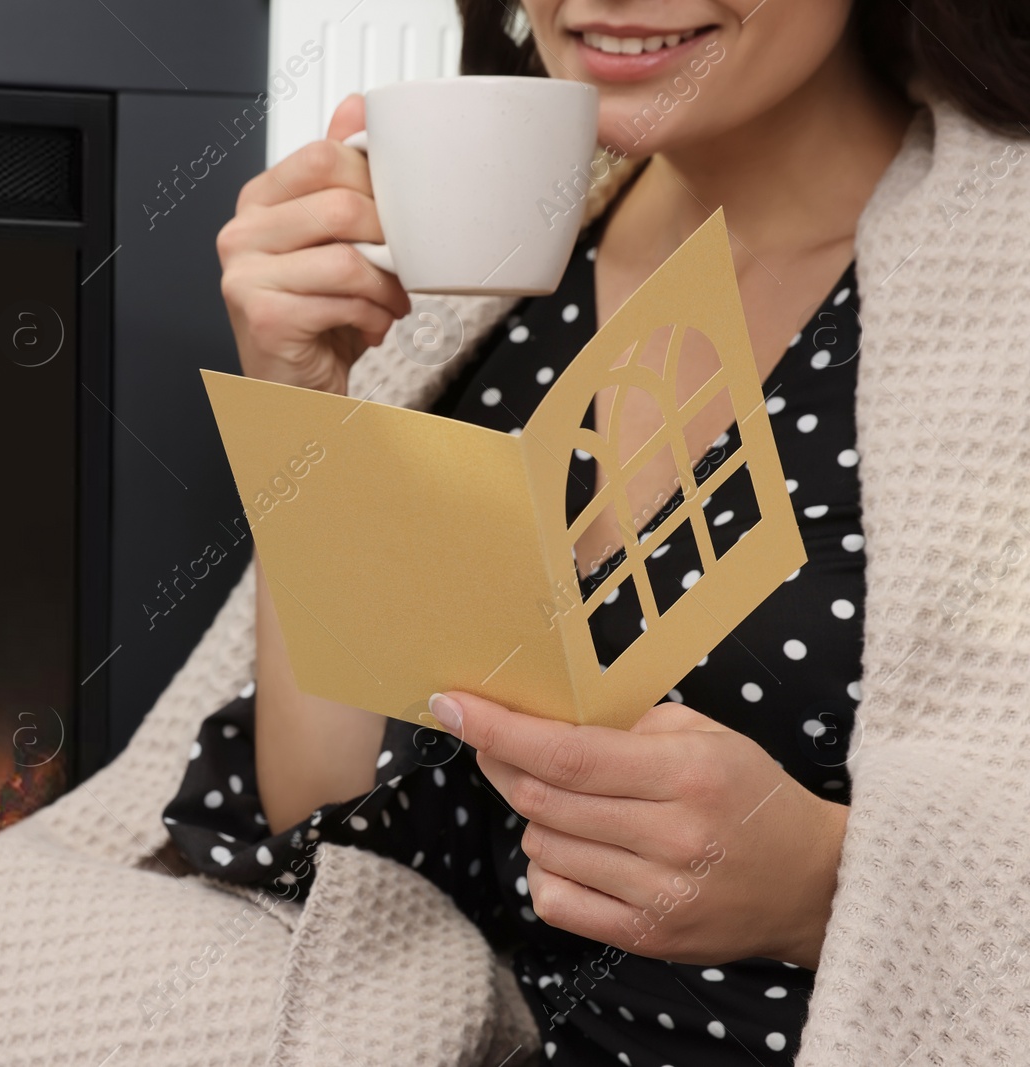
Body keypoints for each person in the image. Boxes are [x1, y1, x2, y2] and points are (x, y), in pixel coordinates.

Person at [162, 2, 1030, 1063]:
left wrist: (825, 884)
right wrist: (307, 408)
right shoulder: (481, 273)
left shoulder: (1002, 280)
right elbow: (324, 830)